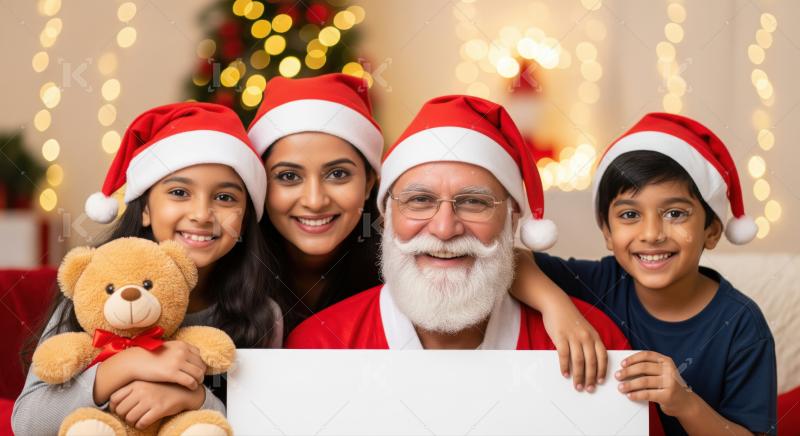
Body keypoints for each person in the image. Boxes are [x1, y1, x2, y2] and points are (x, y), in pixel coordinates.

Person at [285, 94, 629, 355]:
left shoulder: (595, 342)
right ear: (386, 216)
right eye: (420, 201)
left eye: (473, 202)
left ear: (512, 220)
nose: (445, 228)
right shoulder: (317, 345)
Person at [13, 103, 282, 434]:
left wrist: (196, 400)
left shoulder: (262, 314)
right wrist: (124, 366)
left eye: (225, 198)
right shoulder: (95, 287)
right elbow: (26, 422)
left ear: (243, 219)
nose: (202, 213)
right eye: (179, 192)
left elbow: (266, 422)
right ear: (145, 210)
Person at [511, 113, 777, 435]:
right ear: (608, 233)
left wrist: (684, 401)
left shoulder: (741, 325)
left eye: (675, 213)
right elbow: (509, 263)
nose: (651, 233)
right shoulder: (601, 283)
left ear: (711, 230)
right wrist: (557, 307)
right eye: (630, 214)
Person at [248, 73, 384, 333]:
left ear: (368, 183)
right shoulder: (221, 270)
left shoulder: (403, 279)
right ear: (260, 184)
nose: (315, 201)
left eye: (338, 174)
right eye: (289, 176)